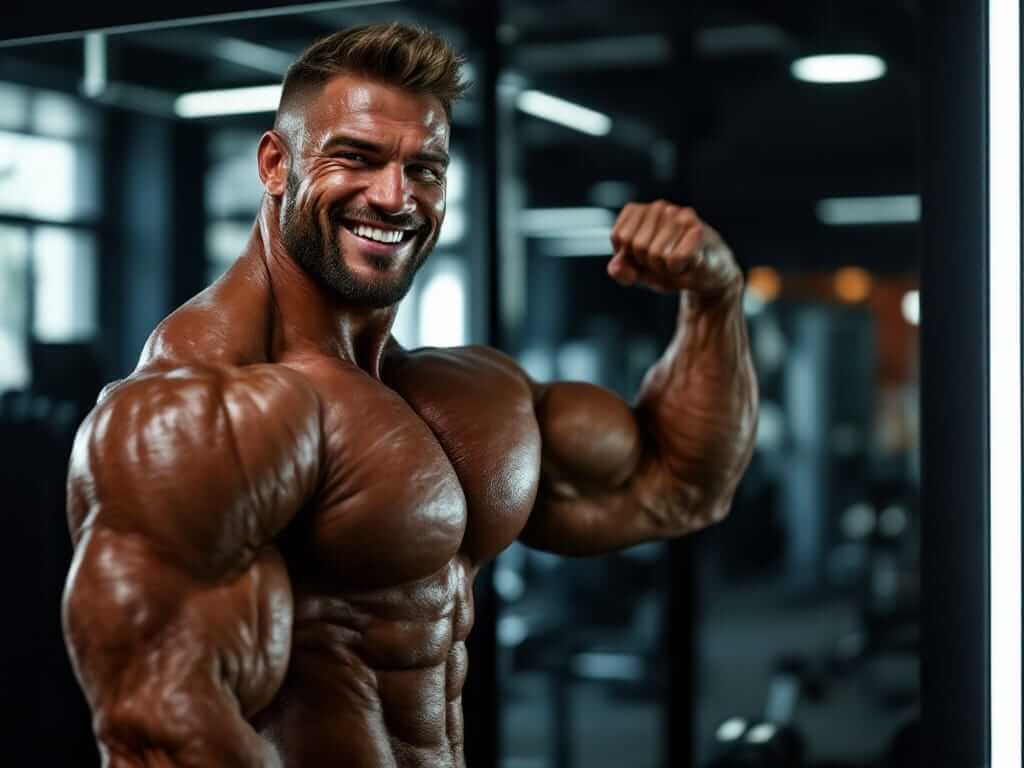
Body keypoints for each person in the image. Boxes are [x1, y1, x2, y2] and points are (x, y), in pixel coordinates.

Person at [62, 22, 759, 768]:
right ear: (275, 163)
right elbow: (157, 732)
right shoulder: (200, 408)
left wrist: (715, 298)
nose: (395, 197)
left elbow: (679, 484)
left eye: (425, 169)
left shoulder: (463, 393)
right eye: (356, 158)